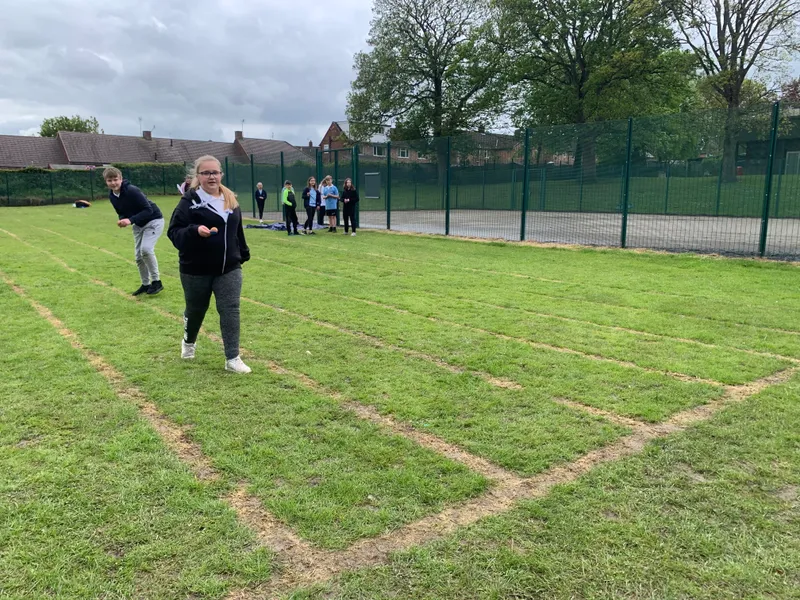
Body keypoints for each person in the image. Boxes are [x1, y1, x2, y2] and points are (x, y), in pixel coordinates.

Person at [167, 155, 252, 374]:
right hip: (196, 269)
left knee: (230, 309)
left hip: (229, 268)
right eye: (206, 173)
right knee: (196, 310)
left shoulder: (230, 198)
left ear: (221, 174)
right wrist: (194, 231)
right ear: (198, 176)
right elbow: (174, 233)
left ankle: (232, 358)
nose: (211, 177)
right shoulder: (189, 202)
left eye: (215, 172)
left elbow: (237, 229)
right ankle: (188, 341)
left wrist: (242, 252)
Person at [104, 167, 165, 296]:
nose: (113, 183)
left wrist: (130, 220)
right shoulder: (112, 196)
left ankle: (157, 282)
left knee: (146, 250)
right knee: (138, 257)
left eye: (115, 179)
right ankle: (145, 284)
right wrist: (122, 220)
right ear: (106, 182)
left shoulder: (132, 191)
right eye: (110, 180)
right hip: (138, 224)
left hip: (154, 220)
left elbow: (148, 210)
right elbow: (121, 212)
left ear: (121, 179)